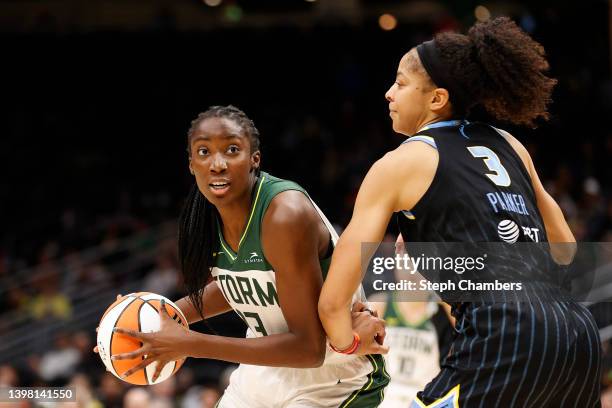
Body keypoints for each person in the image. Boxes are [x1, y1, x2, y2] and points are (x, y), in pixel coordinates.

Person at [318, 17, 601, 407]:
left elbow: (333, 302)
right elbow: (565, 248)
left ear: (437, 99)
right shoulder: (508, 143)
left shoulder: (401, 162)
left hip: (506, 332)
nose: (388, 93)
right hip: (575, 334)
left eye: (400, 83)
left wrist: (348, 343)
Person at [109, 106, 389, 407]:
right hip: (263, 373)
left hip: (335, 378)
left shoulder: (285, 215)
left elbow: (309, 348)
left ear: (254, 158)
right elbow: (241, 284)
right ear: (191, 164)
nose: (217, 164)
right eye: (204, 152)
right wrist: (150, 321)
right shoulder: (204, 216)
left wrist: (191, 343)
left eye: (231, 150)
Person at [369, 234, 453, 408]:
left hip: (425, 398)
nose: (411, 269)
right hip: (384, 397)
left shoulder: (444, 307)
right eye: (406, 259)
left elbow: (471, 336)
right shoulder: (380, 303)